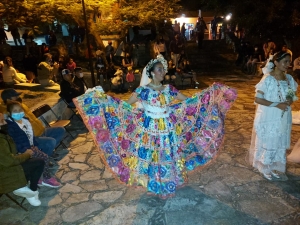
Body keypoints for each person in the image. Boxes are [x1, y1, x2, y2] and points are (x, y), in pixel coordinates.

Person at [72, 54, 237, 198]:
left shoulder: (169, 89)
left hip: (168, 127)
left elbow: (188, 101)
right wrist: (104, 100)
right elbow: (125, 106)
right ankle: (154, 185)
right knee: (152, 157)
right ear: (151, 72)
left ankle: (167, 184)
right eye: (159, 69)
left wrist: (206, 96)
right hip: (149, 128)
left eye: (163, 69)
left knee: (168, 155)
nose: (162, 72)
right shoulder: (142, 91)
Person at [249, 51, 298, 181]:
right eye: (285, 61)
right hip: (269, 115)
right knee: (269, 140)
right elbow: (258, 99)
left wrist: (289, 101)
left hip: (283, 115)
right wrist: (277, 104)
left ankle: (274, 166)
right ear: (276, 62)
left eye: (289, 62)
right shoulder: (268, 79)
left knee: (279, 140)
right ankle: (264, 167)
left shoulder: (289, 79)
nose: (288, 64)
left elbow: (291, 95)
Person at [5, 101, 61, 188]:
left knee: (41, 159)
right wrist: (24, 150)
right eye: (15, 111)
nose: (19, 112)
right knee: (44, 158)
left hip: (31, 147)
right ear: (9, 113)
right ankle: (46, 178)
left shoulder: (25, 121)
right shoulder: (11, 126)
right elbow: (14, 141)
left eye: (20, 110)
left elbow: (31, 134)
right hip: (24, 150)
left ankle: (37, 177)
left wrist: (35, 144)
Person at [0, 88, 65, 157]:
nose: (18, 97)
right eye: (15, 96)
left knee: (60, 130)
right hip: (33, 137)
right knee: (51, 142)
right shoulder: (7, 113)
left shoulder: (20, 105)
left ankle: (46, 152)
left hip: (41, 130)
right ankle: (43, 157)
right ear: (8, 100)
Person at [0, 113, 44, 206]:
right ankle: (29, 189)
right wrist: (26, 154)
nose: (5, 123)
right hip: (6, 173)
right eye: (2, 121)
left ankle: (27, 189)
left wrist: (20, 154)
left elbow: (8, 154)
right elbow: (9, 161)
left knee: (36, 161)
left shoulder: (3, 135)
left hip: (8, 166)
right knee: (38, 162)